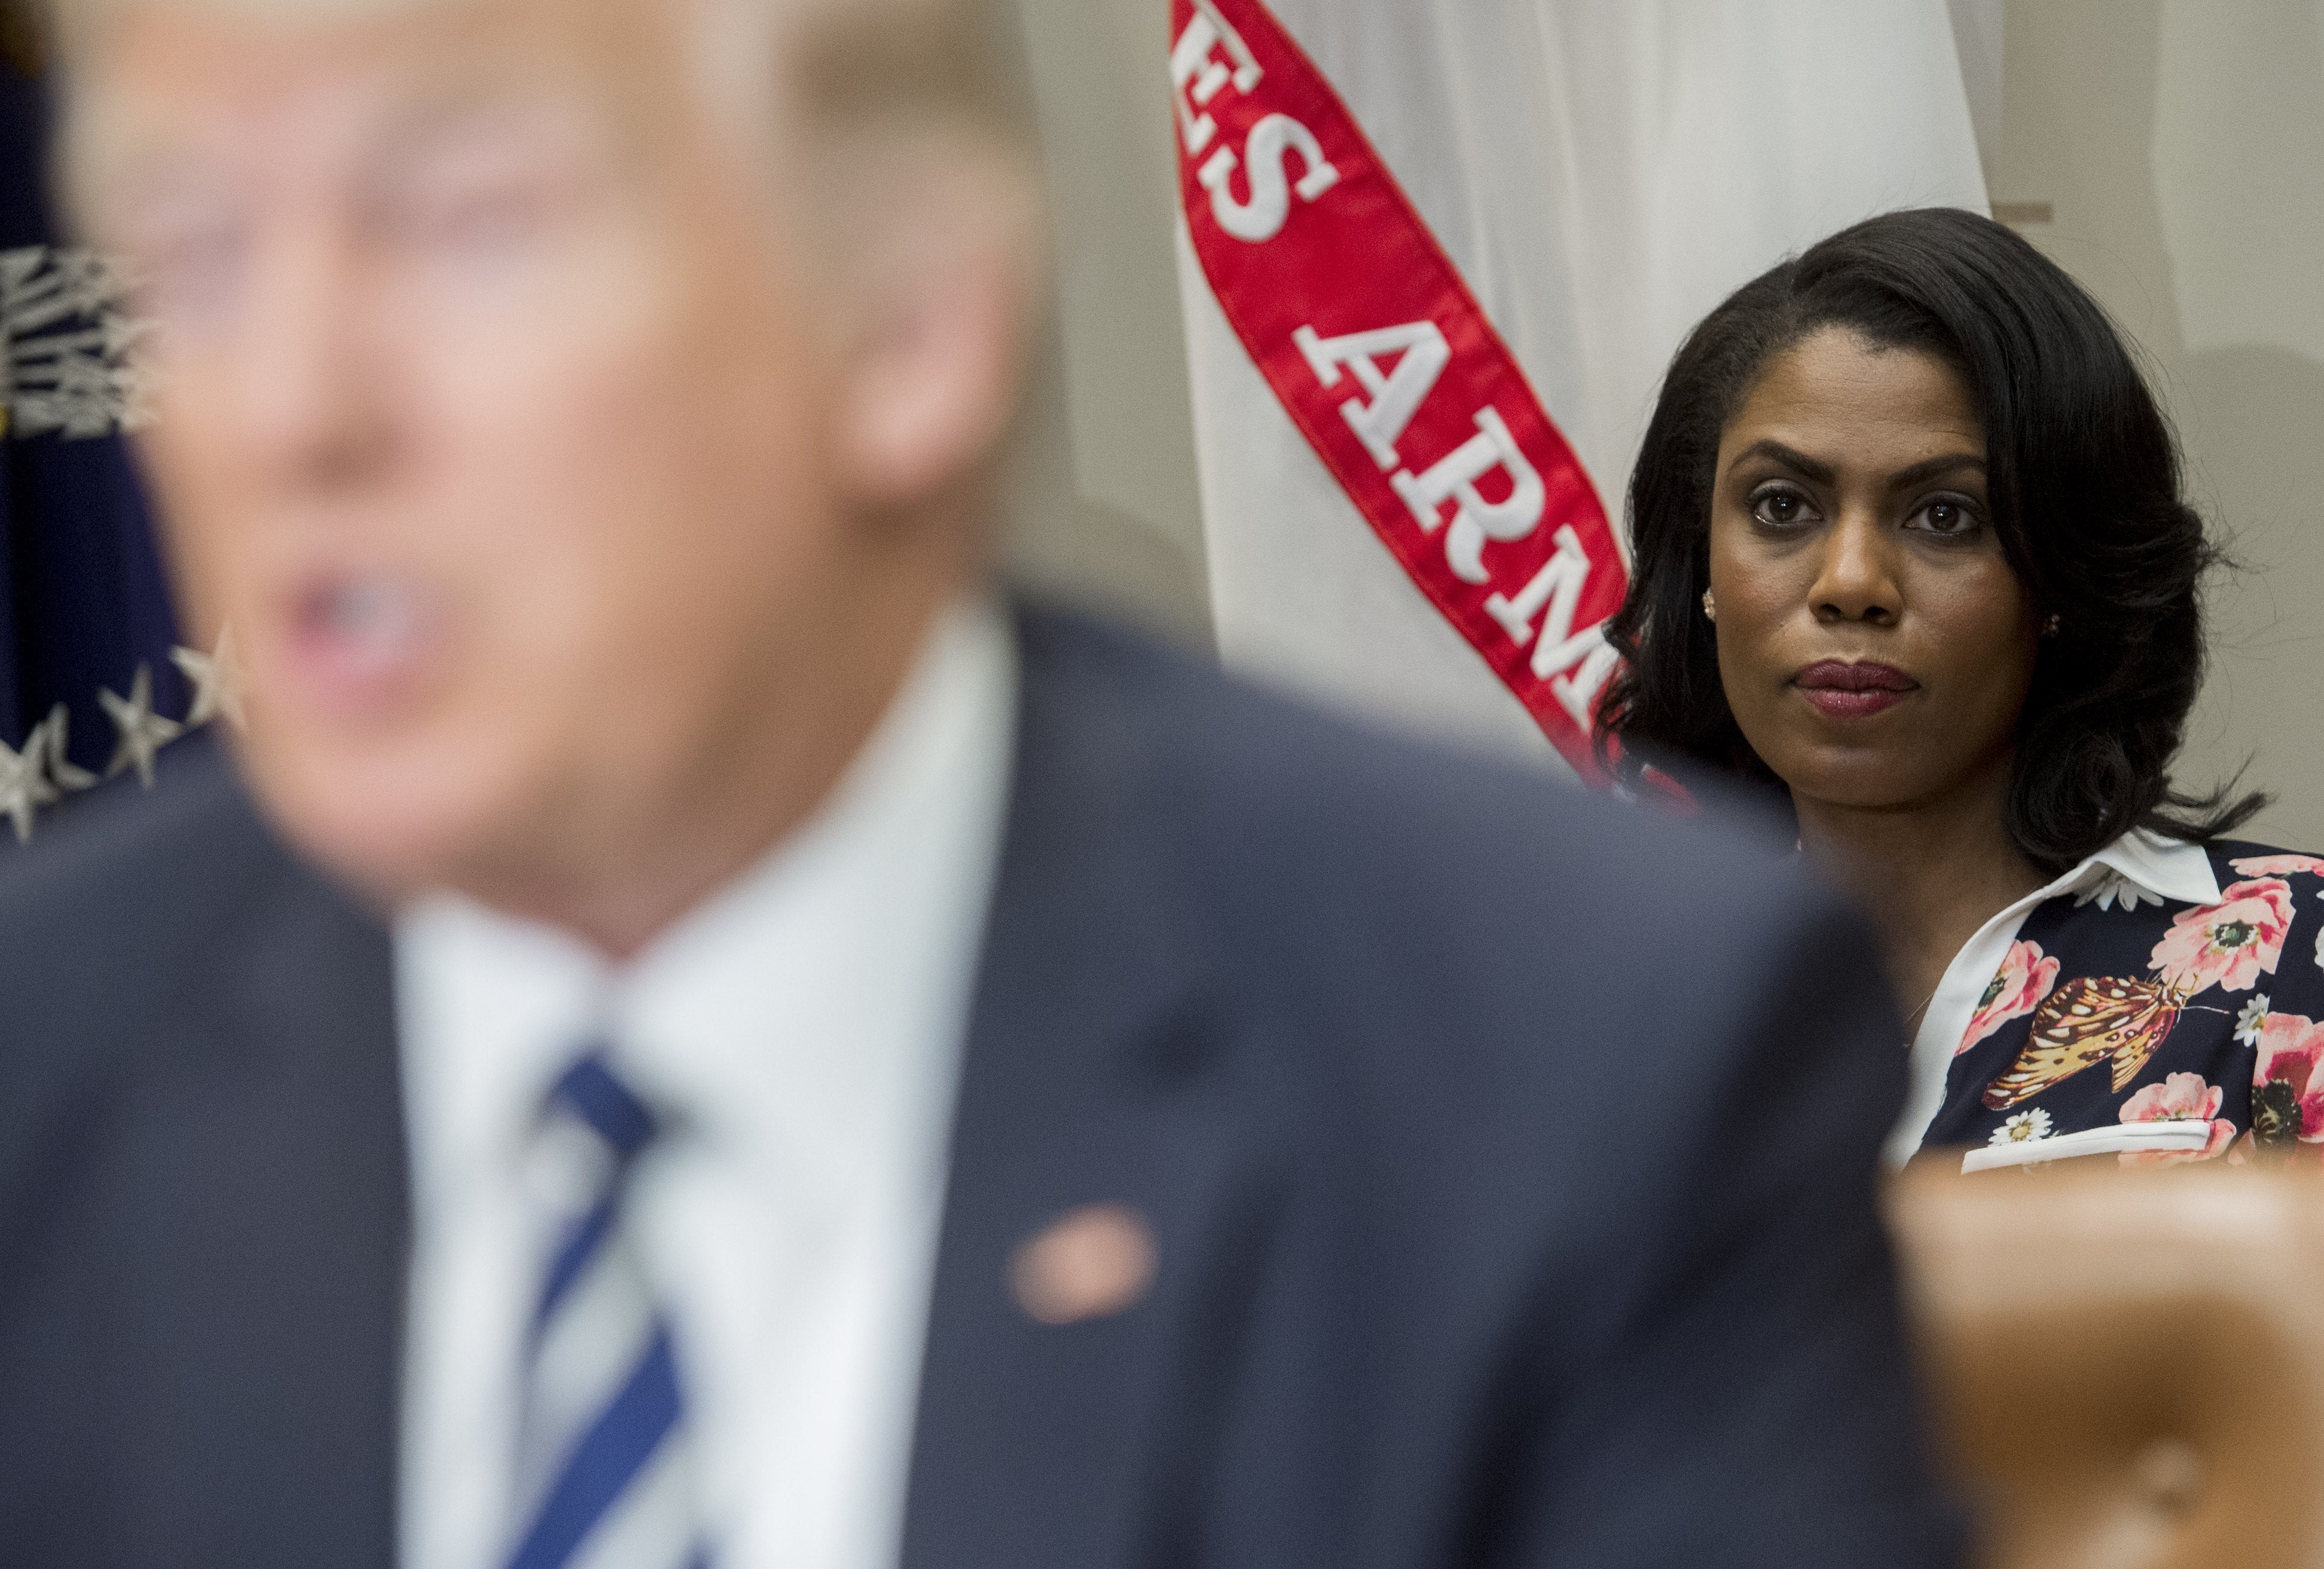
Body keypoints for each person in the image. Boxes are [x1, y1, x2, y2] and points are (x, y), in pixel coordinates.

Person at [0, 2, 1959, 1566]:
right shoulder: (47, 1063)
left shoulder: (1570, 1069)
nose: (288, 407)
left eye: (467, 228)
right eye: (192, 254)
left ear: (911, 331)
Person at [1599, 206, 2324, 1174]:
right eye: (1782, 506)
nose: (1851, 582)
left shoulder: (2297, 955)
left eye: (1945, 516)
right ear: (1701, 567)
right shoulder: (1608, 1012)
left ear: (2059, 580)